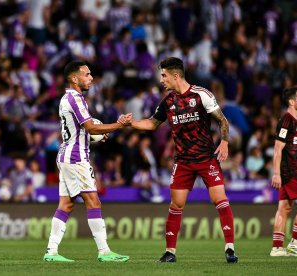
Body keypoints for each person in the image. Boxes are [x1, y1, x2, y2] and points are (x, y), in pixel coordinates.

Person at [125, 57, 238, 263]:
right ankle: (170, 252)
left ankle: (230, 248)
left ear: (175, 75)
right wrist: (130, 123)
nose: (161, 79)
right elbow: (152, 124)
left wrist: (224, 142)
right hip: (183, 161)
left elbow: (222, 119)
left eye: (164, 75)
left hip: (206, 158)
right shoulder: (168, 101)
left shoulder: (201, 94)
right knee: (176, 205)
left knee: (220, 200)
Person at [43, 60, 131, 262]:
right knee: (93, 201)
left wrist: (98, 133)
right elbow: (91, 127)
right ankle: (104, 252)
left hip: (66, 155)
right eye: (87, 74)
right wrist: (118, 125)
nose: (91, 78)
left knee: (66, 204)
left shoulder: (68, 99)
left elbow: (84, 130)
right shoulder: (76, 99)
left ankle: (51, 251)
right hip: (76, 157)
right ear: (75, 78)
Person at [270, 87, 297, 257]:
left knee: (284, 209)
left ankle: (277, 248)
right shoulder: (286, 120)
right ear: (292, 102)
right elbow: (278, 149)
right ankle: (296, 242)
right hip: (290, 171)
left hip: (295, 169)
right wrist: (276, 173)